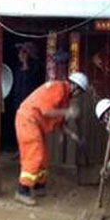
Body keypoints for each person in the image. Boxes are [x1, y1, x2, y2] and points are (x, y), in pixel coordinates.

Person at [14, 72, 89, 206]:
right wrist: (68, 113)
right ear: (75, 87)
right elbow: (46, 111)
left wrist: (75, 137)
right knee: (34, 154)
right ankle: (22, 190)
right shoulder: (58, 88)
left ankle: (38, 185)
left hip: (35, 123)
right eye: (80, 92)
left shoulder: (65, 98)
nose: (78, 95)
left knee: (43, 157)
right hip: (28, 120)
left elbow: (60, 123)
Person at [4, 42, 43, 151]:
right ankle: (18, 148)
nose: (19, 55)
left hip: (30, 105)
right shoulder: (17, 69)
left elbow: (31, 84)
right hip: (17, 102)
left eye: (23, 52)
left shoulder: (36, 69)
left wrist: (26, 64)